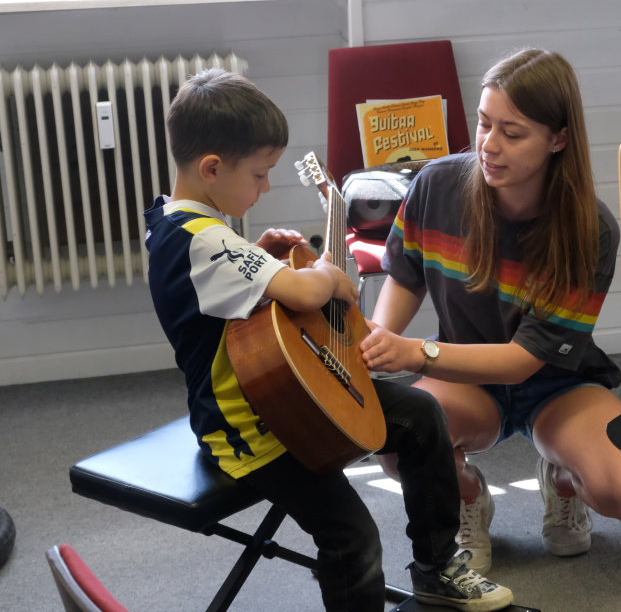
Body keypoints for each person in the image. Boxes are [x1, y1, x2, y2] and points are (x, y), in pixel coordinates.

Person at [143, 68, 513, 612]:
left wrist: (258, 256)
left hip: (276, 398)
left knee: (421, 415)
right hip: (248, 428)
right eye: (260, 173)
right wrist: (329, 275)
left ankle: (436, 567)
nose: (265, 187)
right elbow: (304, 290)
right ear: (212, 168)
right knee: (352, 538)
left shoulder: (177, 223)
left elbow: (220, 294)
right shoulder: (203, 239)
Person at [360, 48, 621, 575]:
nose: (489, 145)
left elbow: (523, 361)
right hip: (466, 378)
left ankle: (563, 477)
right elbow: (405, 277)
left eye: (512, 132)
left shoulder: (590, 229)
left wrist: (413, 353)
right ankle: (468, 496)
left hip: (558, 383)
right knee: (396, 436)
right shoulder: (435, 184)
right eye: (484, 123)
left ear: (559, 139)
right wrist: (374, 342)